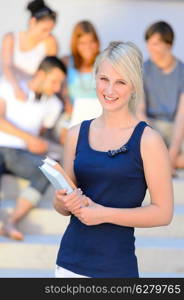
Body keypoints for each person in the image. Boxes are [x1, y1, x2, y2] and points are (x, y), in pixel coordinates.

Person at [53, 41, 173, 278]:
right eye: (104, 79)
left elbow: (163, 213)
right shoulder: (76, 134)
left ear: (134, 87)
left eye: (120, 82)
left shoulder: (148, 140)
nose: (109, 90)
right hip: (68, 265)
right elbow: (62, 208)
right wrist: (63, 201)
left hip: (116, 269)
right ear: (95, 78)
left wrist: (103, 213)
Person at [0, 56, 67, 241]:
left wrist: (39, 143)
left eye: (60, 83)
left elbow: (42, 133)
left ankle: (11, 222)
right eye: (54, 81)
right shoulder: (8, 86)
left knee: (46, 171)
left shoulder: (54, 104)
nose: (57, 88)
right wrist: (30, 138)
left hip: (22, 154)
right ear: (40, 74)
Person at [137, 21, 184, 174]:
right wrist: (156, 139)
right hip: (152, 125)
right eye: (149, 44)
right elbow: (140, 111)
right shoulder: (144, 69)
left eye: (156, 44)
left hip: (177, 127)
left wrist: (171, 155)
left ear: (168, 44)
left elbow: (181, 116)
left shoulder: (182, 71)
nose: (150, 49)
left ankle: (166, 161)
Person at [1, 0, 58, 101]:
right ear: (32, 22)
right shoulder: (10, 38)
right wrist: (16, 88)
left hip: (33, 91)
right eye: (44, 30)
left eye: (50, 30)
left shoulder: (50, 42)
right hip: (10, 85)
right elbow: (7, 66)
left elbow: (50, 71)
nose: (47, 34)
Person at [56, 20, 101, 144]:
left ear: (97, 42)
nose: (88, 47)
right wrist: (66, 102)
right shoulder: (66, 62)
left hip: (99, 115)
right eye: (82, 43)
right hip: (72, 114)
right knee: (67, 138)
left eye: (91, 41)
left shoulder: (105, 62)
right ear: (75, 44)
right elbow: (62, 90)